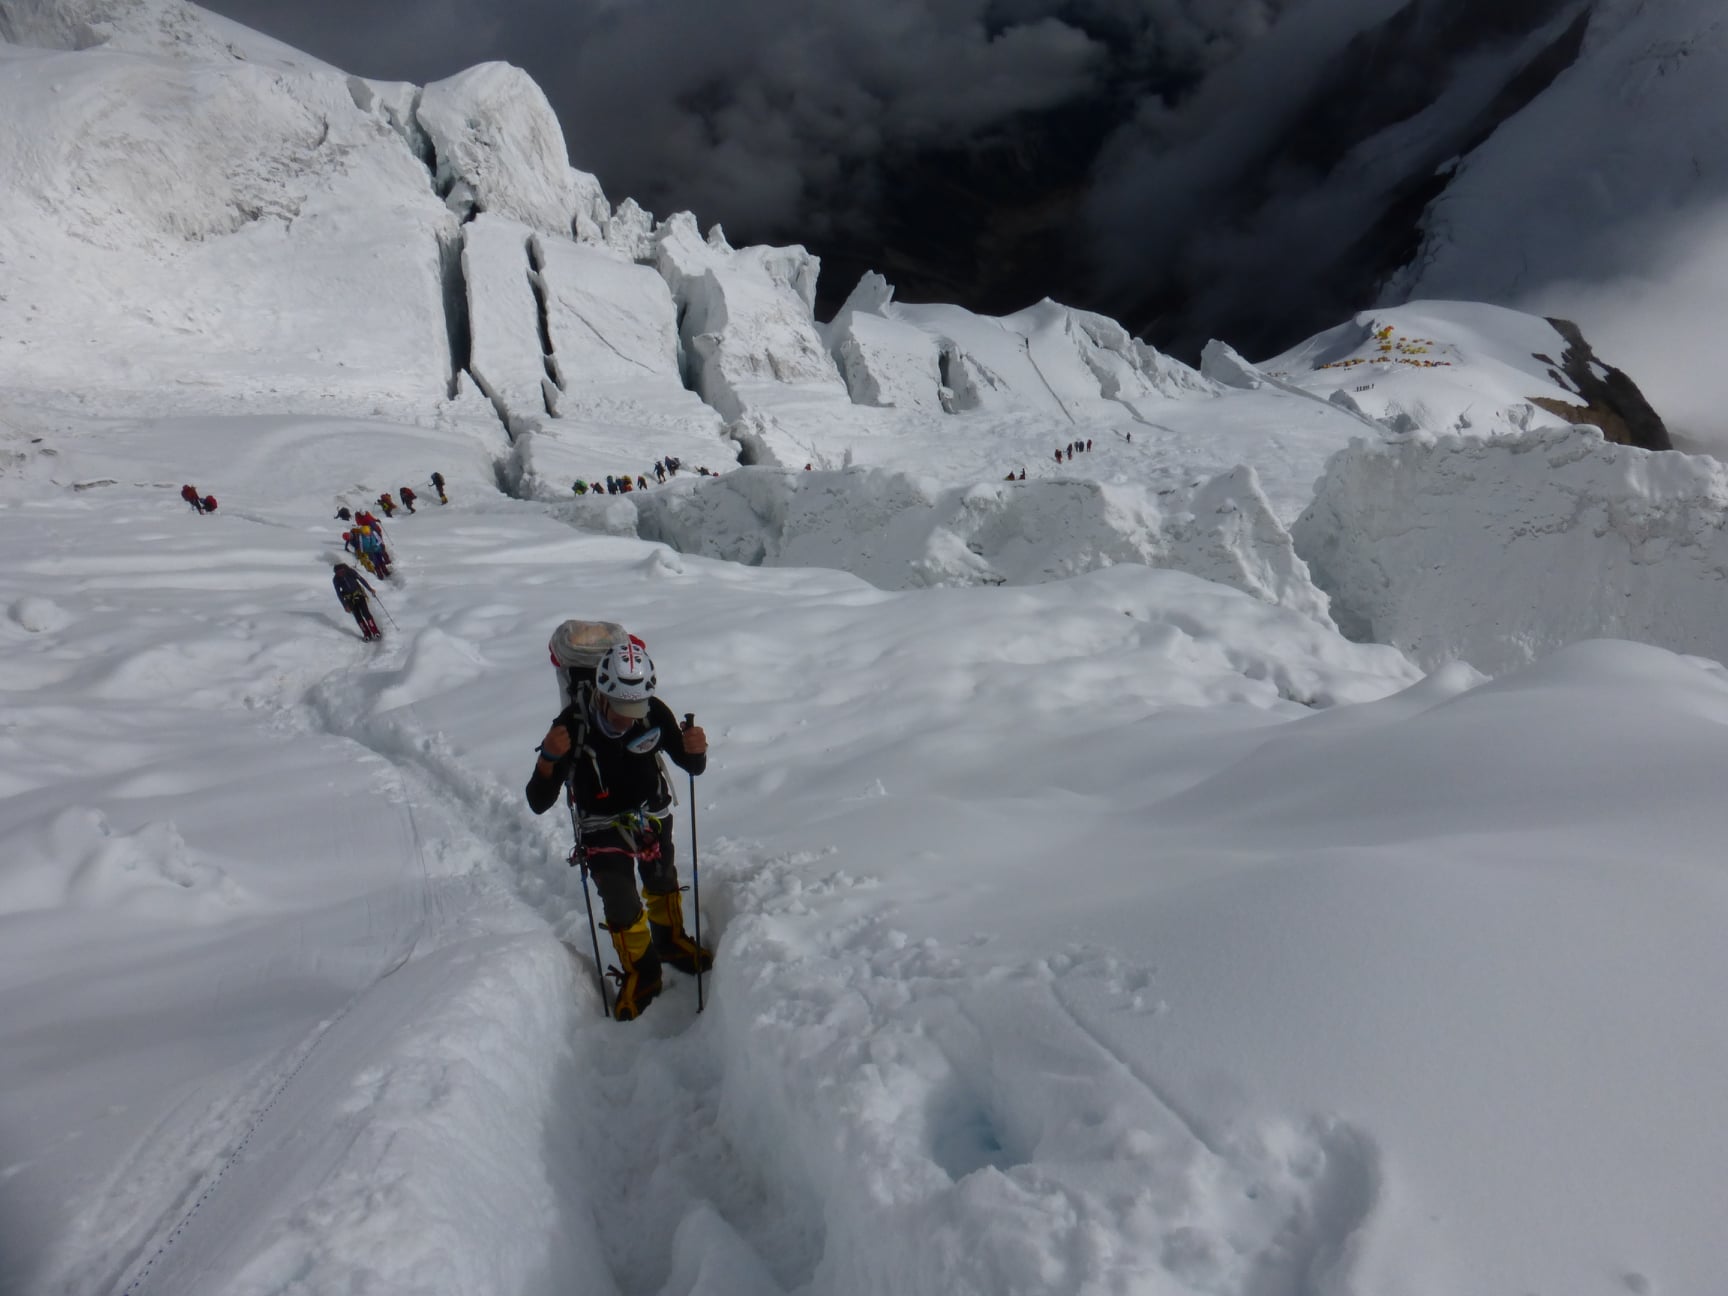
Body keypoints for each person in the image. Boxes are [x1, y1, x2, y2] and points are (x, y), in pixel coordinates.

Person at [526, 638, 711, 1021]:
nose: (629, 719)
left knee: (662, 881)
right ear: (602, 694)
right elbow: (538, 801)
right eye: (622, 710)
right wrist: (548, 759)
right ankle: (643, 971)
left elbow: (690, 766)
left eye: (636, 709)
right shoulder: (572, 726)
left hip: (650, 812)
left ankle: (670, 941)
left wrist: (696, 750)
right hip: (599, 824)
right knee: (622, 901)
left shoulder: (652, 711)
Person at [332, 562, 381, 641]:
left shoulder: (350, 572)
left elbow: (361, 580)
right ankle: (366, 633)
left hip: (359, 594)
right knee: (358, 617)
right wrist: (345, 605)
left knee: (366, 613)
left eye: (341, 571)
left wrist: (370, 589)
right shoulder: (335, 579)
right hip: (349, 599)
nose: (340, 574)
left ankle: (375, 631)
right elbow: (338, 593)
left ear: (344, 569)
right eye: (338, 573)